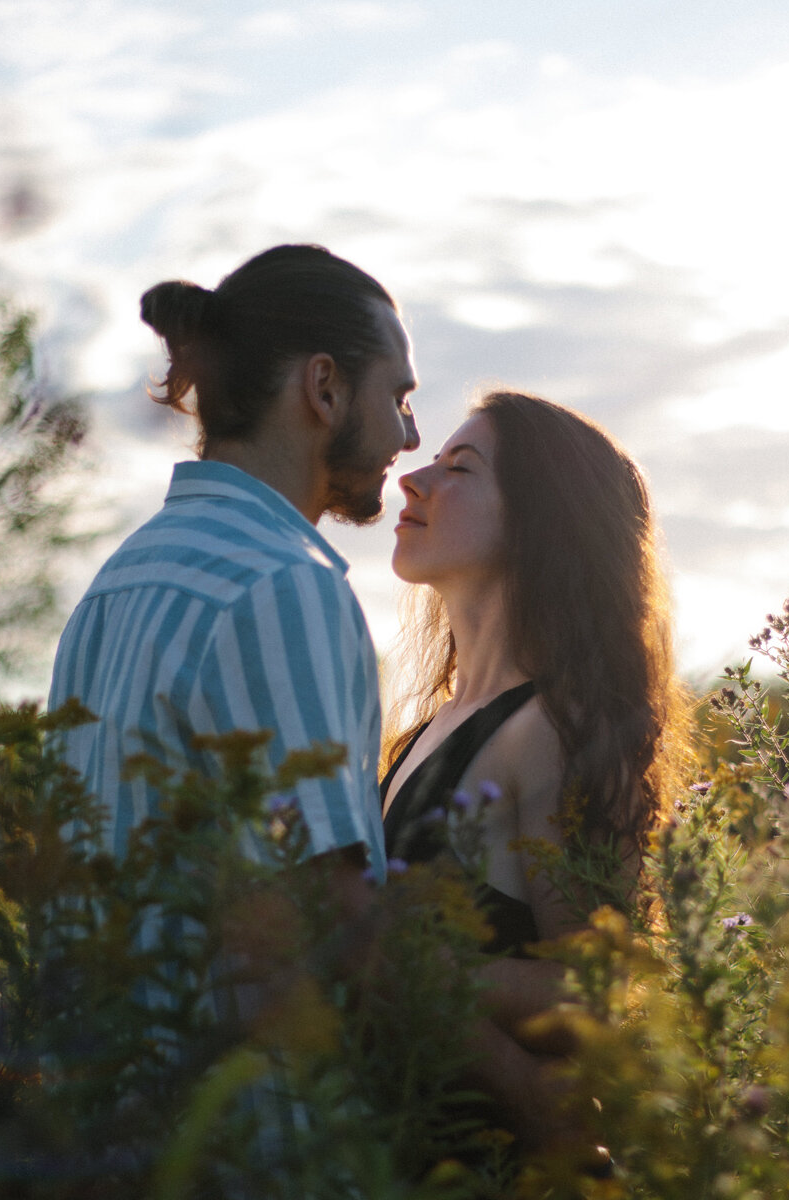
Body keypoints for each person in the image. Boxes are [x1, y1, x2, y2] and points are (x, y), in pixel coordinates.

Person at [46, 244, 564, 1145]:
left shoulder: (117, 583)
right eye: (399, 398)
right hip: (243, 1163)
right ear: (324, 389)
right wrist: (530, 1095)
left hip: (99, 1148)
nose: (408, 440)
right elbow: (339, 925)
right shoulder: (284, 585)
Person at [383, 389, 686, 1058]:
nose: (412, 478)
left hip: (491, 1156)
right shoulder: (423, 732)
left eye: (458, 468)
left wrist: (403, 964)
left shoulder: (551, 729)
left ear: (538, 523)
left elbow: (600, 989)